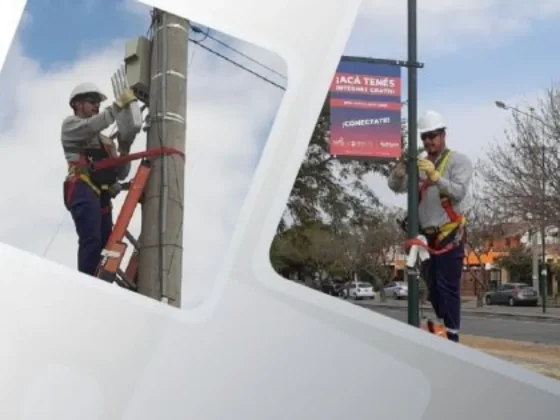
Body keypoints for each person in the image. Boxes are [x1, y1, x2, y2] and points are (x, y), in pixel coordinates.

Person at [387, 110, 473, 342]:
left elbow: (458, 191)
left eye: (433, 136)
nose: (428, 141)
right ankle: (443, 326)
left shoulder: (458, 161)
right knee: (433, 289)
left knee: (448, 288)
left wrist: (435, 177)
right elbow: (395, 186)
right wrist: (400, 166)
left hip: (449, 233)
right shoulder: (418, 163)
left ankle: (452, 337)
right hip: (425, 238)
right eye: (425, 137)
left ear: (443, 134)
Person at [61, 82, 137, 277]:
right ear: (78, 104)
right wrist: (118, 105)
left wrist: (124, 148)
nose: (96, 105)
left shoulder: (105, 140)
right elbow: (94, 124)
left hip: (101, 197)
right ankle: (87, 283)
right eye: (92, 101)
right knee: (92, 240)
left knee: (106, 245)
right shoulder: (71, 126)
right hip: (82, 188)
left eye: (98, 103)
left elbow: (120, 173)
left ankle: (100, 284)